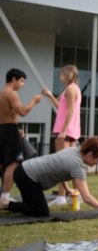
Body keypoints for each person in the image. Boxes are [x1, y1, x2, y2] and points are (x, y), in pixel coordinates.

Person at [0, 137, 98, 216]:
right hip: (27, 176)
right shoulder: (77, 165)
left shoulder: (74, 151)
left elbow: (60, 169)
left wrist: (67, 189)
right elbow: (86, 197)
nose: (97, 163)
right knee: (41, 212)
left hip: (23, 170)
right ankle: (5, 203)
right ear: (90, 155)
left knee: (31, 206)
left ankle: (9, 204)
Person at [42, 65, 81, 206]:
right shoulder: (73, 89)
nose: (60, 77)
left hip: (65, 130)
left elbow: (70, 111)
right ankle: (75, 194)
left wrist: (63, 131)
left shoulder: (70, 89)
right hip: (72, 131)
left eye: (62, 75)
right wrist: (50, 95)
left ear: (68, 75)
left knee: (61, 165)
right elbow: (61, 108)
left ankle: (61, 197)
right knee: (71, 166)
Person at [0, 68, 42, 200]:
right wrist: (34, 101)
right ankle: (5, 197)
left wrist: (14, 126)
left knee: (1, 162)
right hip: (9, 131)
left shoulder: (1, 93)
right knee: (14, 163)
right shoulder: (11, 94)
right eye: (22, 81)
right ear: (14, 79)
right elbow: (23, 112)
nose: (23, 84)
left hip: (3, 128)